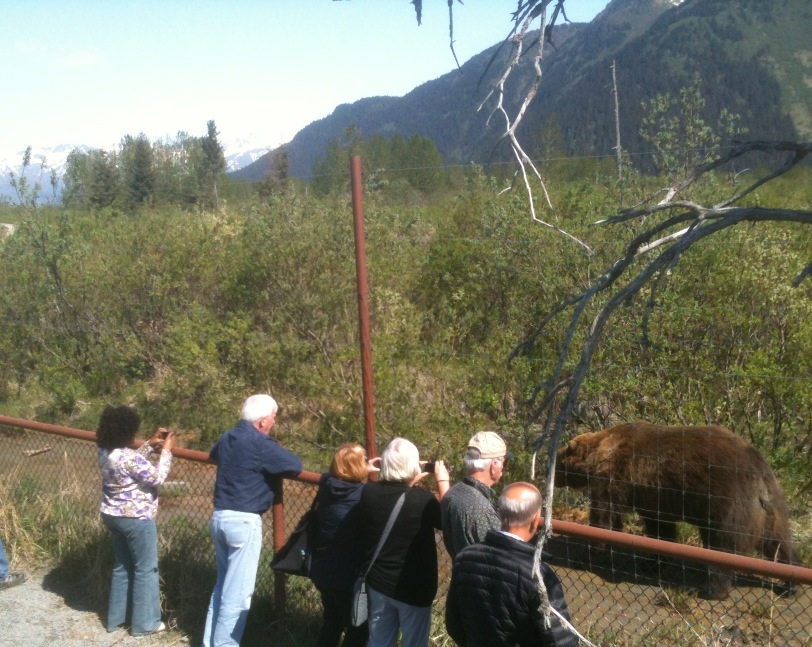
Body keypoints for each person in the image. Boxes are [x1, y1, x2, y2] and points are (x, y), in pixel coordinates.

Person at [203, 394, 302, 647]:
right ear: (261, 422)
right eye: (272, 418)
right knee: (238, 594)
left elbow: (214, 454)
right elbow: (293, 465)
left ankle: (211, 642)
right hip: (244, 522)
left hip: (220, 517)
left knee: (222, 587)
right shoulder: (260, 443)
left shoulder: (228, 436)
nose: (274, 422)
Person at [445, 482, 578, 647]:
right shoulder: (539, 575)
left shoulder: (464, 558)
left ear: (499, 512)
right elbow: (561, 641)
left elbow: (453, 624)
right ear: (536, 518)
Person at [358, 437, 451, 647]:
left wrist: (368, 468)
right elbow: (448, 518)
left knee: (379, 642)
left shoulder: (368, 492)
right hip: (414, 589)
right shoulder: (423, 500)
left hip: (378, 582)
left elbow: (393, 494)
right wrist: (442, 480)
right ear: (412, 467)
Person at [96, 404, 174, 636]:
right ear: (129, 431)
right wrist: (167, 451)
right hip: (136, 519)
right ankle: (145, 624)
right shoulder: (129, 458)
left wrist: (149, 445)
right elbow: (157, 477)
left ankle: (116, 620)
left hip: (112, 515)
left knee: (123, 566)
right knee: (145, 569)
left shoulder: (104, 451)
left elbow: (128, 464)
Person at [310, 443, 380, 647]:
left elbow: (332, 474)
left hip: (322, 569)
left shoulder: (327, 485)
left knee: (332, 622)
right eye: (364, 461)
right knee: (359, 628)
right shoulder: (364, 496)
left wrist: (360, 467)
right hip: (346, 575)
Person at [441, 431, 508, 559]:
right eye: (504, 463)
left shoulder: (453, 493)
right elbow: (500, 557)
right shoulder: (482, 508)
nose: (503, 468)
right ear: (494, 466)